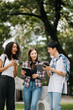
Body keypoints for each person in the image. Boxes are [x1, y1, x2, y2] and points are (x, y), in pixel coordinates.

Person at [43, 41, 70, 110]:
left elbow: (64, 73)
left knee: (56, 107)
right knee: (51, 107)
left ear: (54, 48)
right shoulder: (52, 60)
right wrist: (47, 70)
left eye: (49, 49)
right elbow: (50, 75)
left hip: (57, 86)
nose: (48, 51)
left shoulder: (62, 59)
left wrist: (51, 69)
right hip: (51, 86)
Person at [0, 42, 20, 110]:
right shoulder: (4, 56)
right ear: (9, 48)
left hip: (11, 80)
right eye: (14, 47)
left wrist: (14, 66)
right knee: (1, 99)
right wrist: (9, 65)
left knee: (11, 101)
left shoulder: (16, 60)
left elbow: (14, 75)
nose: (15, 49)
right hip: (3, 79)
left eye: (16, 47)